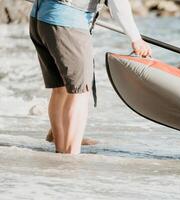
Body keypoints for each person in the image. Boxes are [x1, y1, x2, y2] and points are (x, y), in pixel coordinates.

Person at [29, 0, 152, 154]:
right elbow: (118, 4)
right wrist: (136, 38)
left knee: (60, 89)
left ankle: (60, 150)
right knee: (80, 93)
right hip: (67, 22)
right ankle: (71, 155)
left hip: (39, 18)